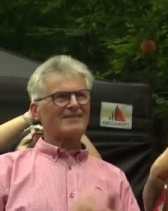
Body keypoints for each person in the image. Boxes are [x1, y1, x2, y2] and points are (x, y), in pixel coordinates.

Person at [0, 55, 138, 210]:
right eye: (61, 97)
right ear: (35, 110)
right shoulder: (6, 171)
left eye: (81, 95)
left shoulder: (115, 179)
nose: (74, 103)